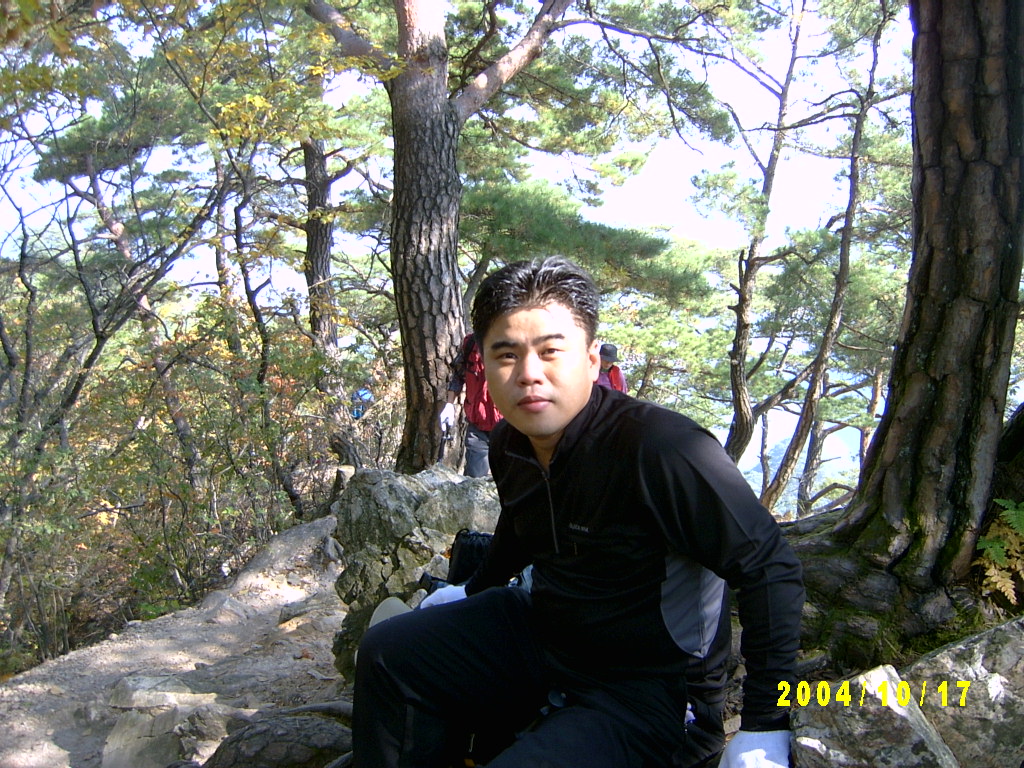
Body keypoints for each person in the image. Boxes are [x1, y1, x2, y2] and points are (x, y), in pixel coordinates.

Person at [354, 257, 804, 768]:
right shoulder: (510, 443)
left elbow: (770, 567)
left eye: (550, 352)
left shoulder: (660, 448)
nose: (529, 374)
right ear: (483, 363)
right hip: (545, 635)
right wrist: (473, 588)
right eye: (507, 354)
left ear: (591, 360)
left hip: (648, 686)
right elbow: (521, 522)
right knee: (389, 652)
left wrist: (766, 724)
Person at [438, 332, 502, 477]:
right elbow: (458, 374)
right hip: (477, 428)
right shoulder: (471, 343)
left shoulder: (513, 341)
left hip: (509, 428)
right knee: (474, 480)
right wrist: (449, 404)